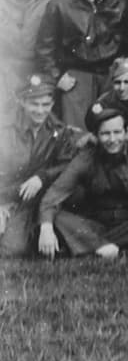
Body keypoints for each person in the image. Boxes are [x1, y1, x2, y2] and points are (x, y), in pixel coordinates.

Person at [36, 100, 128, 258]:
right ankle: (112, 248)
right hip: (96, 225)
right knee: (58, 218)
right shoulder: (85, 159)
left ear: (126, 131)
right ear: (95, 136)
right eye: (105, 134)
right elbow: (54, 194)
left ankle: (93, 248)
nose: (112, 140)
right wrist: (46, 227)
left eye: (117, 132)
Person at [36, 0, 128, 128]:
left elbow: (126, 42)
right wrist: (57, 76)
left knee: (109, 130)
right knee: (76, 134)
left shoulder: (118, 2)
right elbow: (45, 48)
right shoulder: (61, 3)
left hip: (109, 77)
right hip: (76, 79)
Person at [0, 73, 84, 258]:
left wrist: (41, 177)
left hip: (32, 200)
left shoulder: (59, 132)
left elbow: (67, 163)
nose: (40, 110)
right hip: (6, 196)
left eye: (45, 105)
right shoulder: (5, 129)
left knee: (13, 250)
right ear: (23, 102)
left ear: (52, 104)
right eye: (34, 104)